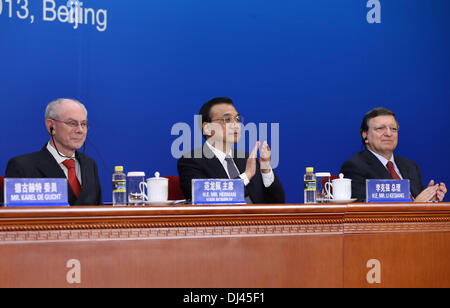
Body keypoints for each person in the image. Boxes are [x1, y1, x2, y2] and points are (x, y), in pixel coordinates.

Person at [177, 97, 285, 204]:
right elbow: (204, 199)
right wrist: (246, 176)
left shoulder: (246, 159)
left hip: (257, 220)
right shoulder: (191, 161)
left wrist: (265, 170)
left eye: (237, 119)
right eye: (227, 119)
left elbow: (278, 201)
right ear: (207, 128)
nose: (235, 125)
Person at [1, 98, 102, 206]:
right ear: (51, 126)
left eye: (83, 124)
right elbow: (12, 218)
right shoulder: (22, 167)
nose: (80, 130)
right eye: (72, 123)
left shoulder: (90, 164)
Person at [340, 107, 447, 202]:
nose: (389, 134)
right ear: (365, 135)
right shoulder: (354, 167)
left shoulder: (410, 166)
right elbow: (361, 214)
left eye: (393, 129)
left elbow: (419, 200)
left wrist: (430, 199)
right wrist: (416, 206)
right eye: (380, 128)